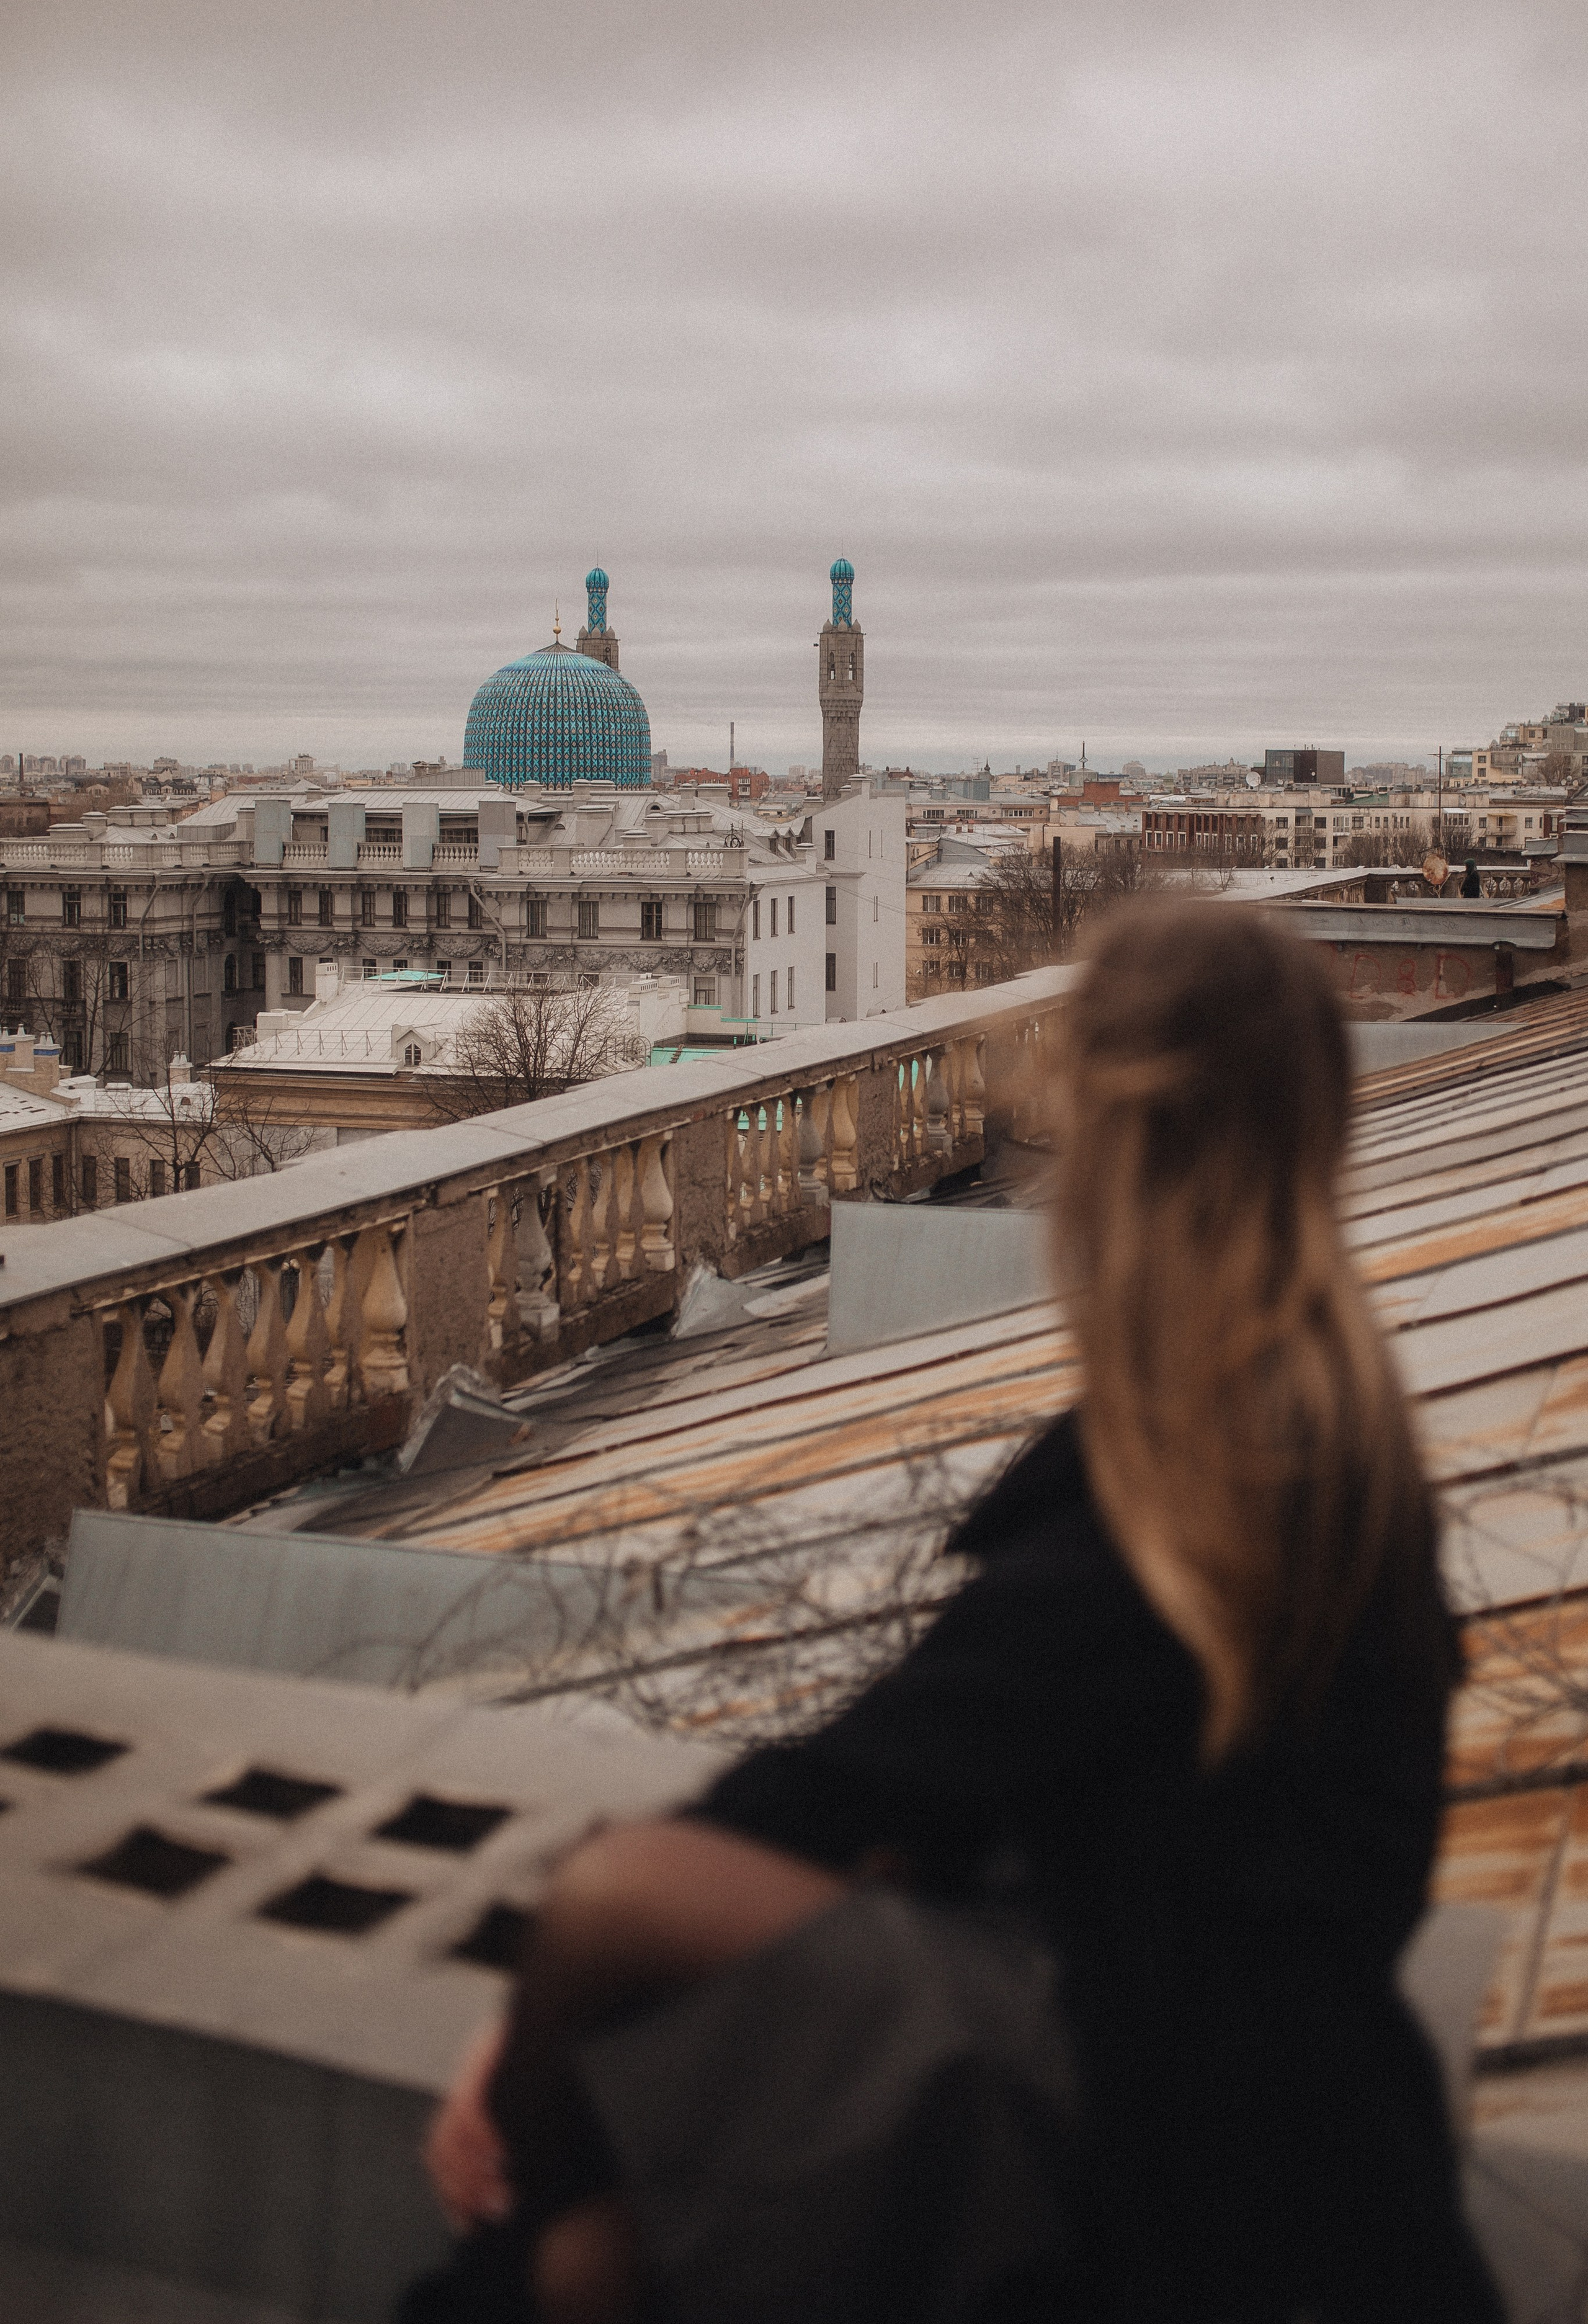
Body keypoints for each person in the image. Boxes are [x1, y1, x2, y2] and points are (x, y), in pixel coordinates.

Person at [422, 900, 1501, 2324]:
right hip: (1253, 2090)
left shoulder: (1206, 1473)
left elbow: (863, 1777)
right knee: (597, 2257)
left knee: (615, 1910)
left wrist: (513, 2050)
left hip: (1175, 2122)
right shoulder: (1313, 1408)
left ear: (1110, 1148)